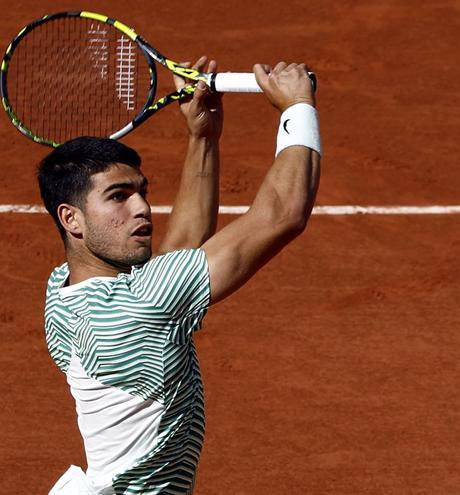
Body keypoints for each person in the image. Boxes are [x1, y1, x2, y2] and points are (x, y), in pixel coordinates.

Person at [42, 57, 321, 494]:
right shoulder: (145, 303)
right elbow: (284, 213)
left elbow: (176, 257)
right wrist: (298, 107)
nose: (142, 209)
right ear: (72, 219)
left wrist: (203, 135)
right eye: (118, 197)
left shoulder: (62, 295)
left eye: (141, 192)